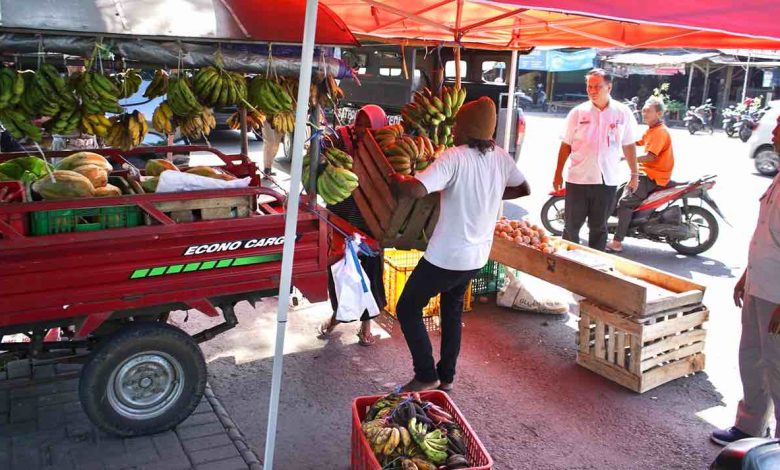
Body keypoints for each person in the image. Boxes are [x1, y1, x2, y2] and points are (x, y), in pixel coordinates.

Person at [391, 97, 530, 392]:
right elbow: (524, 188)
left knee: (408, 308)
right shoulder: (501, 157)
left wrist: (396, 179)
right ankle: (448, 377)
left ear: (467, 129)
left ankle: (426, 374)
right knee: (451, 311)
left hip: (446, 256)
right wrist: (488, 195)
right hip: (476, 257)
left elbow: (416, 189)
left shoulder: (454, 157)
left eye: (457, 126)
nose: (452, 131)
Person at [711, 115, 780, 446]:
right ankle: (750, 427)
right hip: (759, 285)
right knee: (751, 356)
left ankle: (775, 449)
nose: (774, 131)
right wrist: (746, 274)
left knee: (777, 368)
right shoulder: (777, 177)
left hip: (777, 297)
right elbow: (766, 236)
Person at [317, 105, 388, 346]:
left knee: (371, 273)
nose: (366, 133)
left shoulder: (385, 146)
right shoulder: (339, 140)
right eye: (362, 127)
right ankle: (337, 315)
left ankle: (366, 325)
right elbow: (320, 159)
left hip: (370, 221)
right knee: (339, 268)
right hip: (341, 216)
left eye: (372, 129)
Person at [553, 68, 639, 251]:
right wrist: (557, 173)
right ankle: (569, 266)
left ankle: (595, 267)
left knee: (599, 228)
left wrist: (634, 174)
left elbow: (629, 144)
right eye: (589, 86)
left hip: (607, 180)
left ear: (609, 87)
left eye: (597, 87)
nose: (592, 90)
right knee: (571, 228)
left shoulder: (622, 113)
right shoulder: (578, 113)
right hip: (578, 179)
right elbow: (565, 144)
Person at [606, 97, 674, 252]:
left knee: (625, 203)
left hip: (652, 176)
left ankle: (617, 242)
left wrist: (626, 157)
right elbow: (637, 142)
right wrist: (618, 140)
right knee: (616, 193)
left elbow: (651, 157)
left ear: (659, 114)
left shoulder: (659, 132)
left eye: (648, 111)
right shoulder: (652, 130)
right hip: (646, 172)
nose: (644, 113)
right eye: (643, 110)